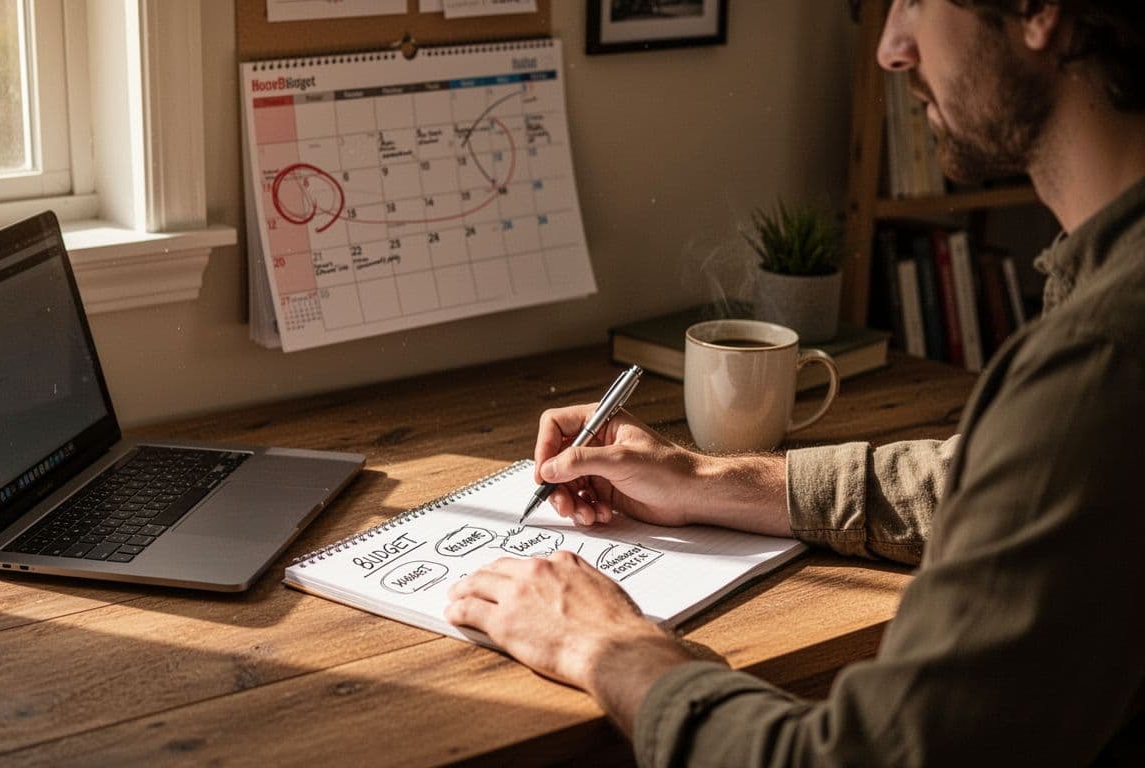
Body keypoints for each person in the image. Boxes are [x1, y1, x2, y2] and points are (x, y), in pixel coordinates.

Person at [444, 0, 1145, 764]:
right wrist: (706, 477)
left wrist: (609, 645)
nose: (890, 49)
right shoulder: (1102, 318)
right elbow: (1000, 489)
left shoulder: (1103, 357)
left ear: (1038, 11)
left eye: (911, 0)